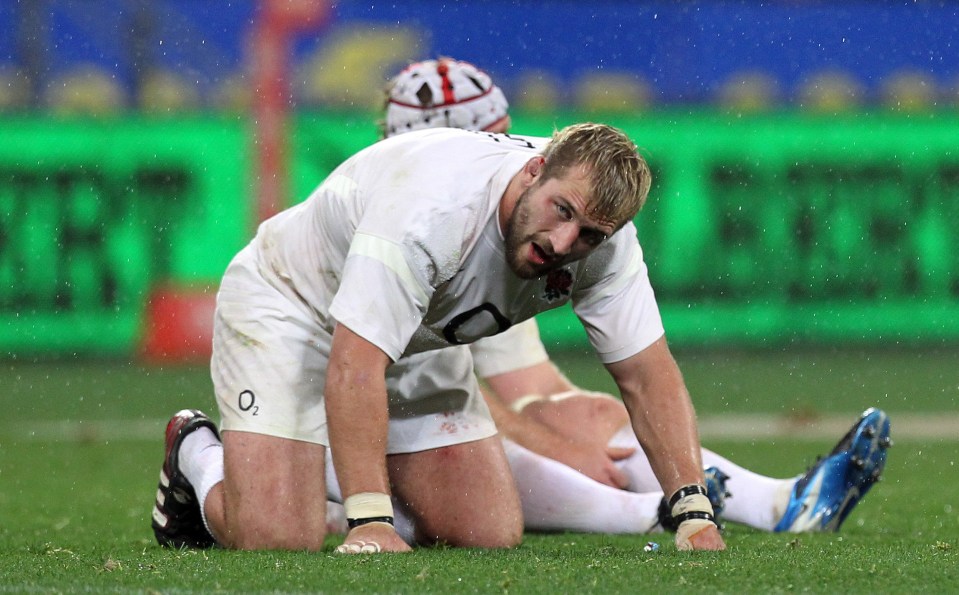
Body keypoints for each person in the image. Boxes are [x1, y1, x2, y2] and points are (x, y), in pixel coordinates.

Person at [151, 104, 728, 554]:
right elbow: (355, 364)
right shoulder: (433, 211)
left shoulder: (606, 245)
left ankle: (300, 463)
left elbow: (648, 378)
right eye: (561, 210)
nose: (562, 245)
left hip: (416, 327)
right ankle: (199, 453)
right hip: (294, 303)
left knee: (486, 530)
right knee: (279, 536)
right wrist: (370, 523)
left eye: (588, 235)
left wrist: (694, 510)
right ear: (533, 170)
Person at [350, 57, 891, 536]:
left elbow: (532, 386)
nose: (505, 153)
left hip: (418, 386)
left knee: (582, 412)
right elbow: (402, 385)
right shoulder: (407, 220)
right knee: (468, 444)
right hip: (341, 399)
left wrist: (571, 435)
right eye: (488, 138)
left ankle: (774, 504)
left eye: (505, 134)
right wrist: (553, 449)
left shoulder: (519, 222)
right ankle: (644, 513)